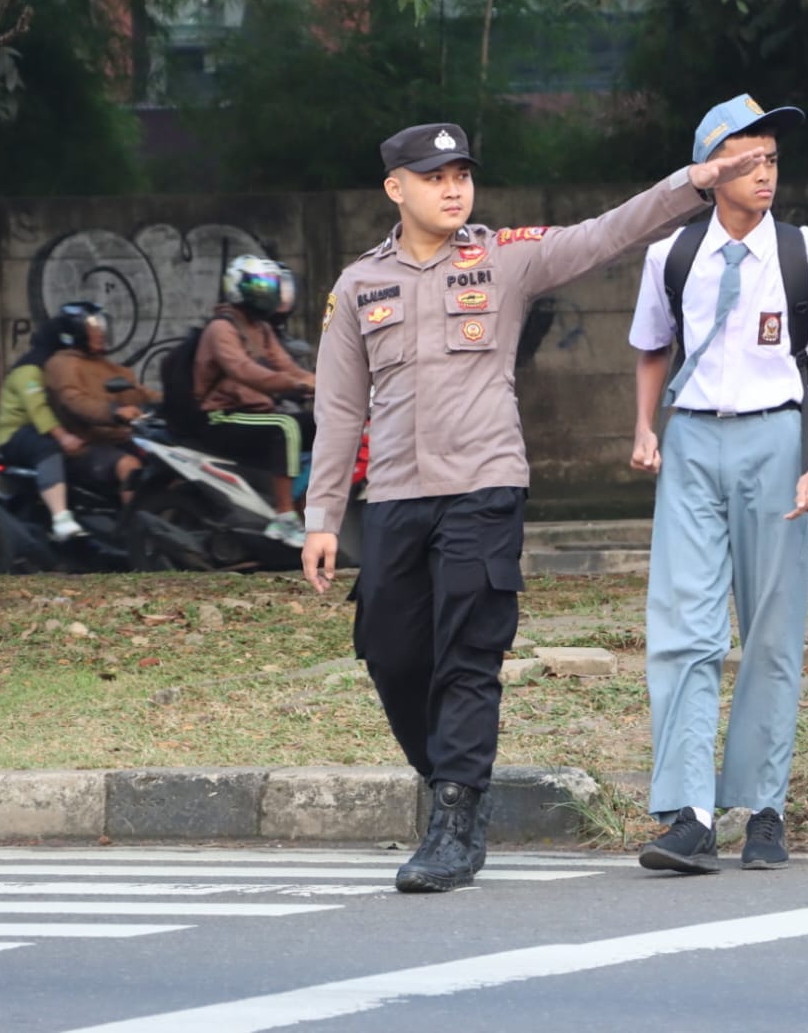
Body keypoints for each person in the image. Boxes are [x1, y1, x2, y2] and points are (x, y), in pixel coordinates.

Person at [301, 121, 766, 894]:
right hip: (391, 497)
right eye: (434, 177)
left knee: (466, 653)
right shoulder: (358, 284)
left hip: (483, 488)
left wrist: (695, 181)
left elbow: (605, 234)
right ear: (396, 189)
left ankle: (455, 811)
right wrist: (321, 516)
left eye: (462, 175)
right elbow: (340, 405)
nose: (453, 189)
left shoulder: (505, 257)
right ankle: (449, 779)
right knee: (390, 652)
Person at [627, 95, 808, 874]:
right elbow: (651, 350)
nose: (763, 172)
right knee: (682, 624)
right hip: (693, 439)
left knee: (770, 627)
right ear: (711, 170)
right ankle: (689, 812)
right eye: (746, 159)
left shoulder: (806, 253)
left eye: (771, 158)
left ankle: (762, 808)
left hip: (774, 436)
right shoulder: (671, 256)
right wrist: (644, 427)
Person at [192, 255, 317, 548]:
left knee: (327, 422)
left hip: (256, 411)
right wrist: (295, 384)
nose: (266, 292)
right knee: (285, 426)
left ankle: (306, 503)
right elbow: (243, 371)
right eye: (258, 285)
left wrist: (322, 382)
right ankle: (284, 518)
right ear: (237, 287)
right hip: (222, 415)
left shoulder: (262, 328)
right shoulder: (221, 328)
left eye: (270, 286)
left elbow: (286, 365)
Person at [42, 302, 157, 506]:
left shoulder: (104, 364)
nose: (101, 332)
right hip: (87, 444)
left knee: (164, 466)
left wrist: (167, 400)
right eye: (94, 327)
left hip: (120, 438)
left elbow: (136, 391)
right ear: (76, 332)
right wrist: (114, 412)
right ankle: (136, 533)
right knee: (131, 468)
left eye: (101, 326)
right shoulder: (62, 364)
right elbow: (76, 402)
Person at [0, 313, 88, 541]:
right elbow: (39, 411)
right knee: (47, 448)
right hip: (16, 435)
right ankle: (61, 519)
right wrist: (63, 437)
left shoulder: (56, 370)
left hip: (40, 430)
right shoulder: (29, 370)